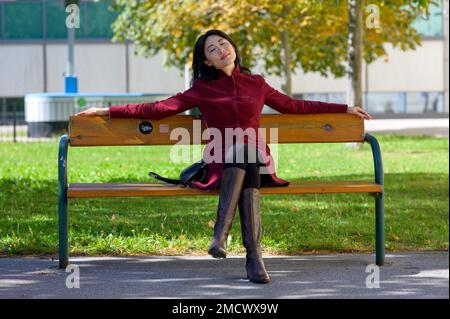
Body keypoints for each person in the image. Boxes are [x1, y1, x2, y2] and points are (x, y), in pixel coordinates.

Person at [74, 29, 374, 284]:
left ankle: (221, 235)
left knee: (248, 151)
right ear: (207, 60)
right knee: (243, 154)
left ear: (233, 48)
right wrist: (107, 110)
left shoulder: (256, 82)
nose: (221, 50)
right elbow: (158, 108)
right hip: (221, 162)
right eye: (213, 49)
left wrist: (343, 109)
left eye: (223, 44)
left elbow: (294, 106)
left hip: (257, 159)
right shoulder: (202, 89)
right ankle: (254, 258)